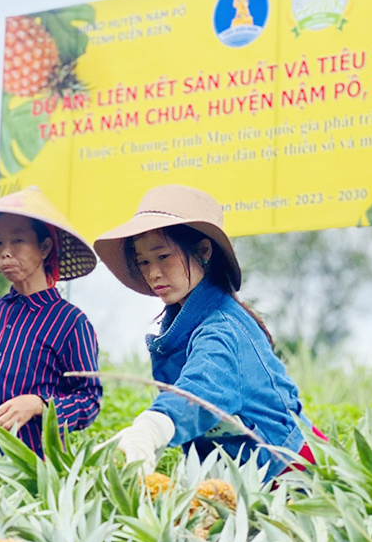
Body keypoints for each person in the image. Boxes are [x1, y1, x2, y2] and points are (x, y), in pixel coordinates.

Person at [93, 184, 317, 480]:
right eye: (143, 261)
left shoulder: (222, 329)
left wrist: (153, 427)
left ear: (203, 251)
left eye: (163, 256)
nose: (153, 273)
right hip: (240, 475)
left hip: (289, 471)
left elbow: (201, 389)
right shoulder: (187, 323)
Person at [0, 186, 101, 456]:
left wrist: (39, 404)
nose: (5, 252)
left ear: (44, 247)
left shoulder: (70, 322)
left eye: (17, 241)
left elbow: (89, 402)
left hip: (28, 468)